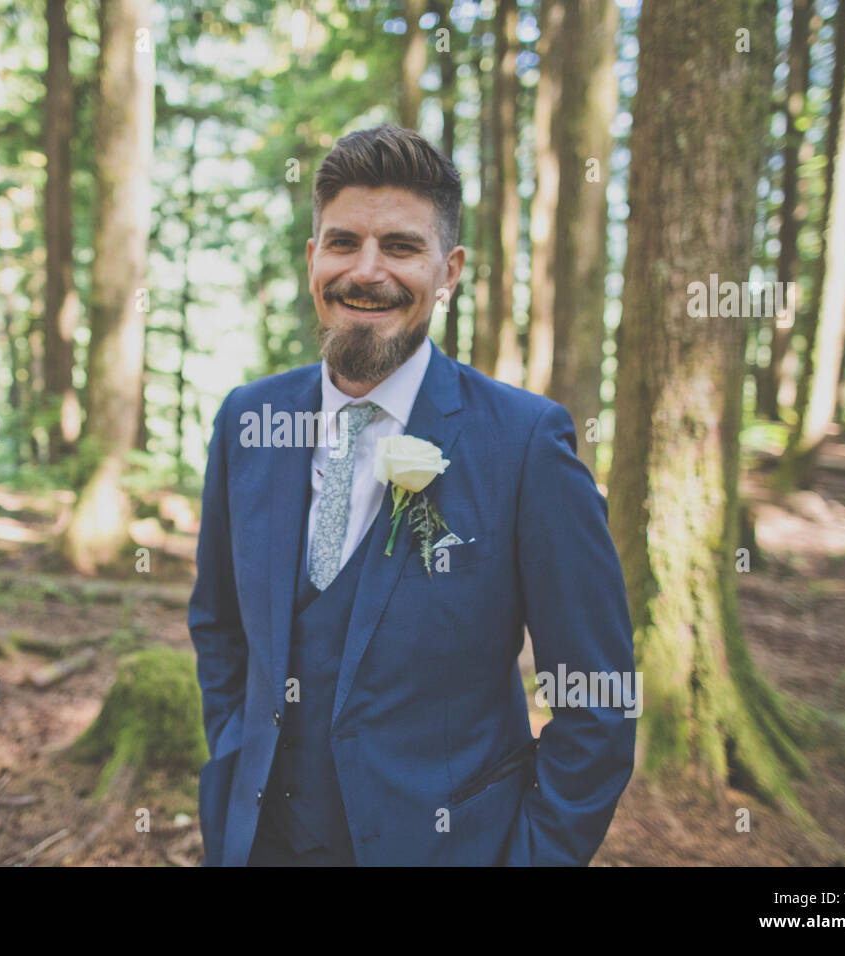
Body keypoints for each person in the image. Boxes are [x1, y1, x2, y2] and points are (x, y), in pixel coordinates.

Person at [189, 123, 636, 866]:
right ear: (313, 260)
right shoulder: (247, 419)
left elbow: (598, 694)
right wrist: (234, 757)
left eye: (400, 246)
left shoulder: (526, 444)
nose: (366, 272)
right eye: (342, 243)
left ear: (449, 269)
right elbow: (220, 625)